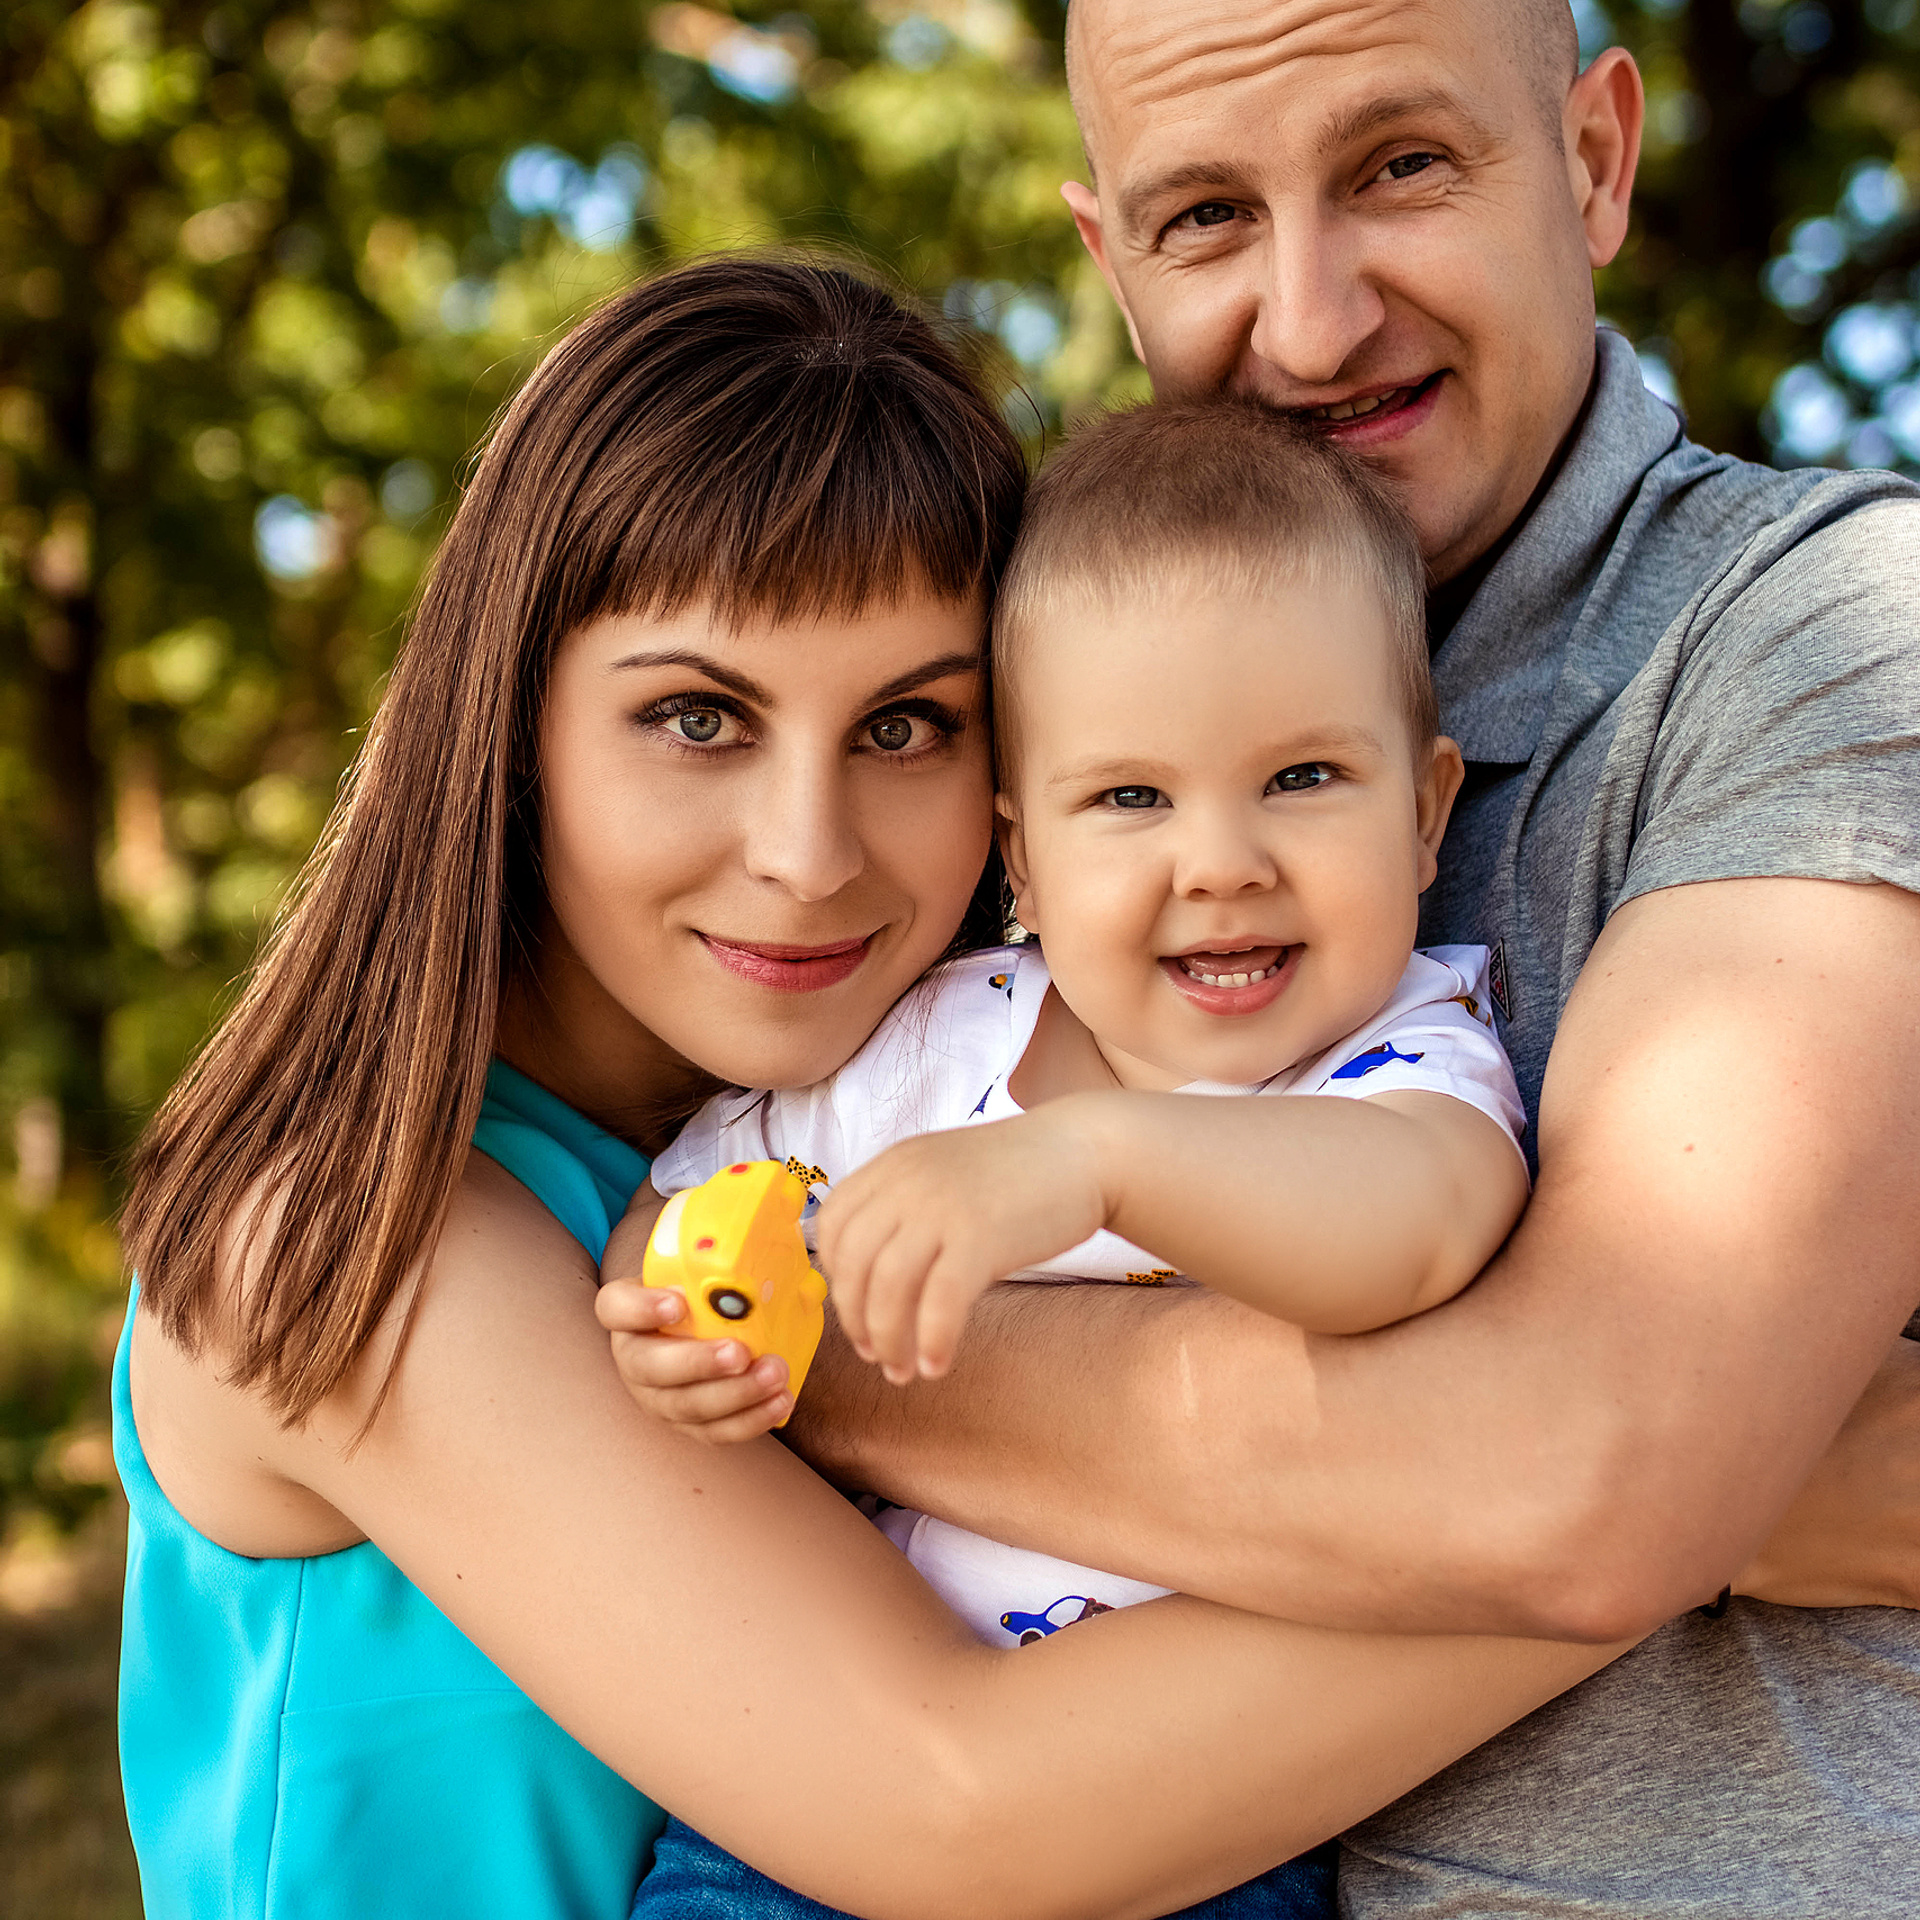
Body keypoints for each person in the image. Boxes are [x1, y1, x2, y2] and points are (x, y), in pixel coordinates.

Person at [114, 254, 1697, 1920]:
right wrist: (1659, 1530)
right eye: (700, 719)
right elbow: (955, 1806)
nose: (808, 856)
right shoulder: (341, 1234)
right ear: (508, 727)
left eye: (906, 729)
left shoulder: (882, 1120)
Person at [611, 5, 1920, 1911]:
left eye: (1402, 167)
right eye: (1207, 215)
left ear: (1594, 160)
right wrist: (1742, 1492)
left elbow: (1588, 1481)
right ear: (1111, 260)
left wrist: (1642, 1483)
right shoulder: (1036, 675)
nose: (1310, 326)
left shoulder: (1828, 633)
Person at [614, 398, 1534, 1920]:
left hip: (1198, 1829)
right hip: (815, 1818)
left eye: (1304, 779)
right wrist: (681, 1325)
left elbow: (1416, 1228)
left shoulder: (1405, 1053)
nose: (1222, 860)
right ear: (1020, 861)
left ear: (1429, 811)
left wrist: (1098, 1161)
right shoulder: (936, 1039)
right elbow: (684, 1210)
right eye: (1131, 798)